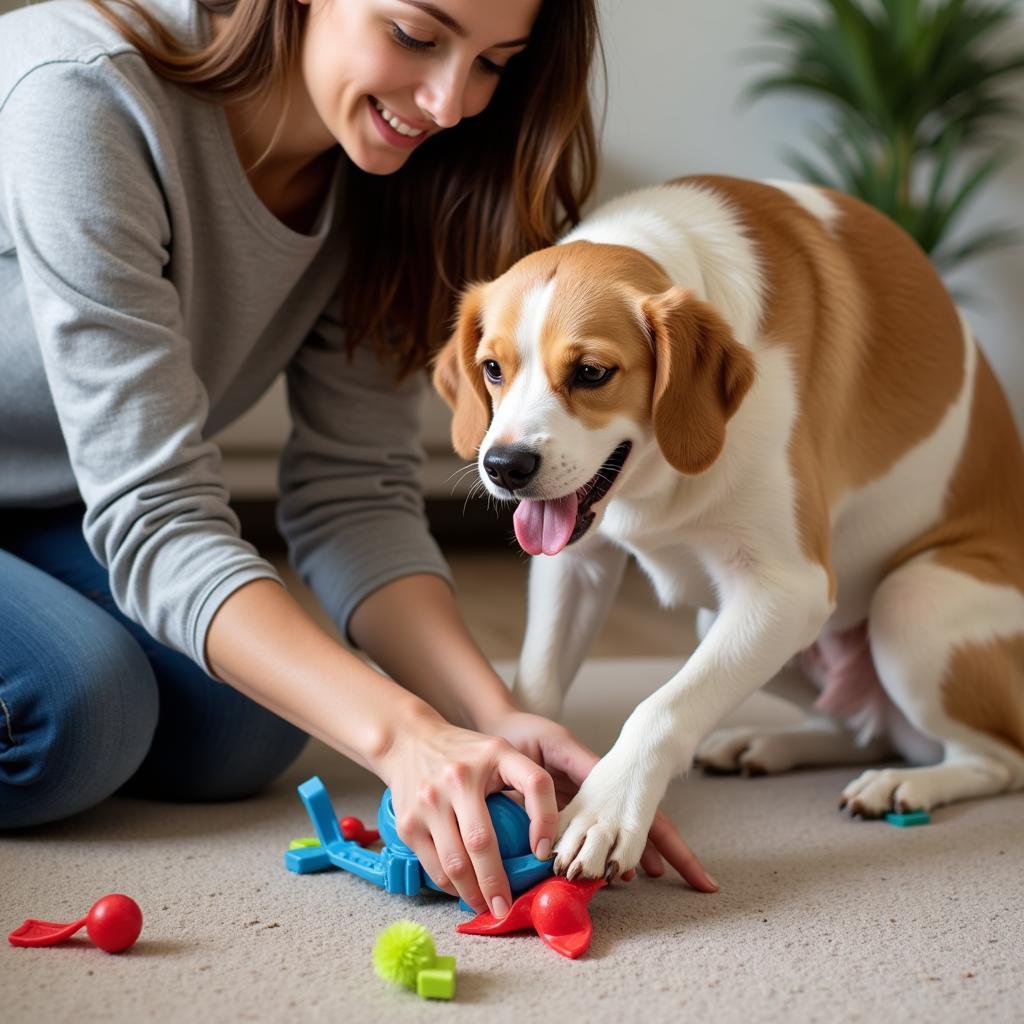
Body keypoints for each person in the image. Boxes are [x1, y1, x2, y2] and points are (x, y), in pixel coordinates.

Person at [0, 0, 718, 917]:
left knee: (246, 723)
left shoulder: (400, 172)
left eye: (495, 62)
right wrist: (403, 737)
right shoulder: (85, 99)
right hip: (92, 500)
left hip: (53, 499)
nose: (450, 101)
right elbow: (155, 512)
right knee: (74, 715)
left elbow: (356, 493)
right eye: (416, 35)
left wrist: (486, 718)